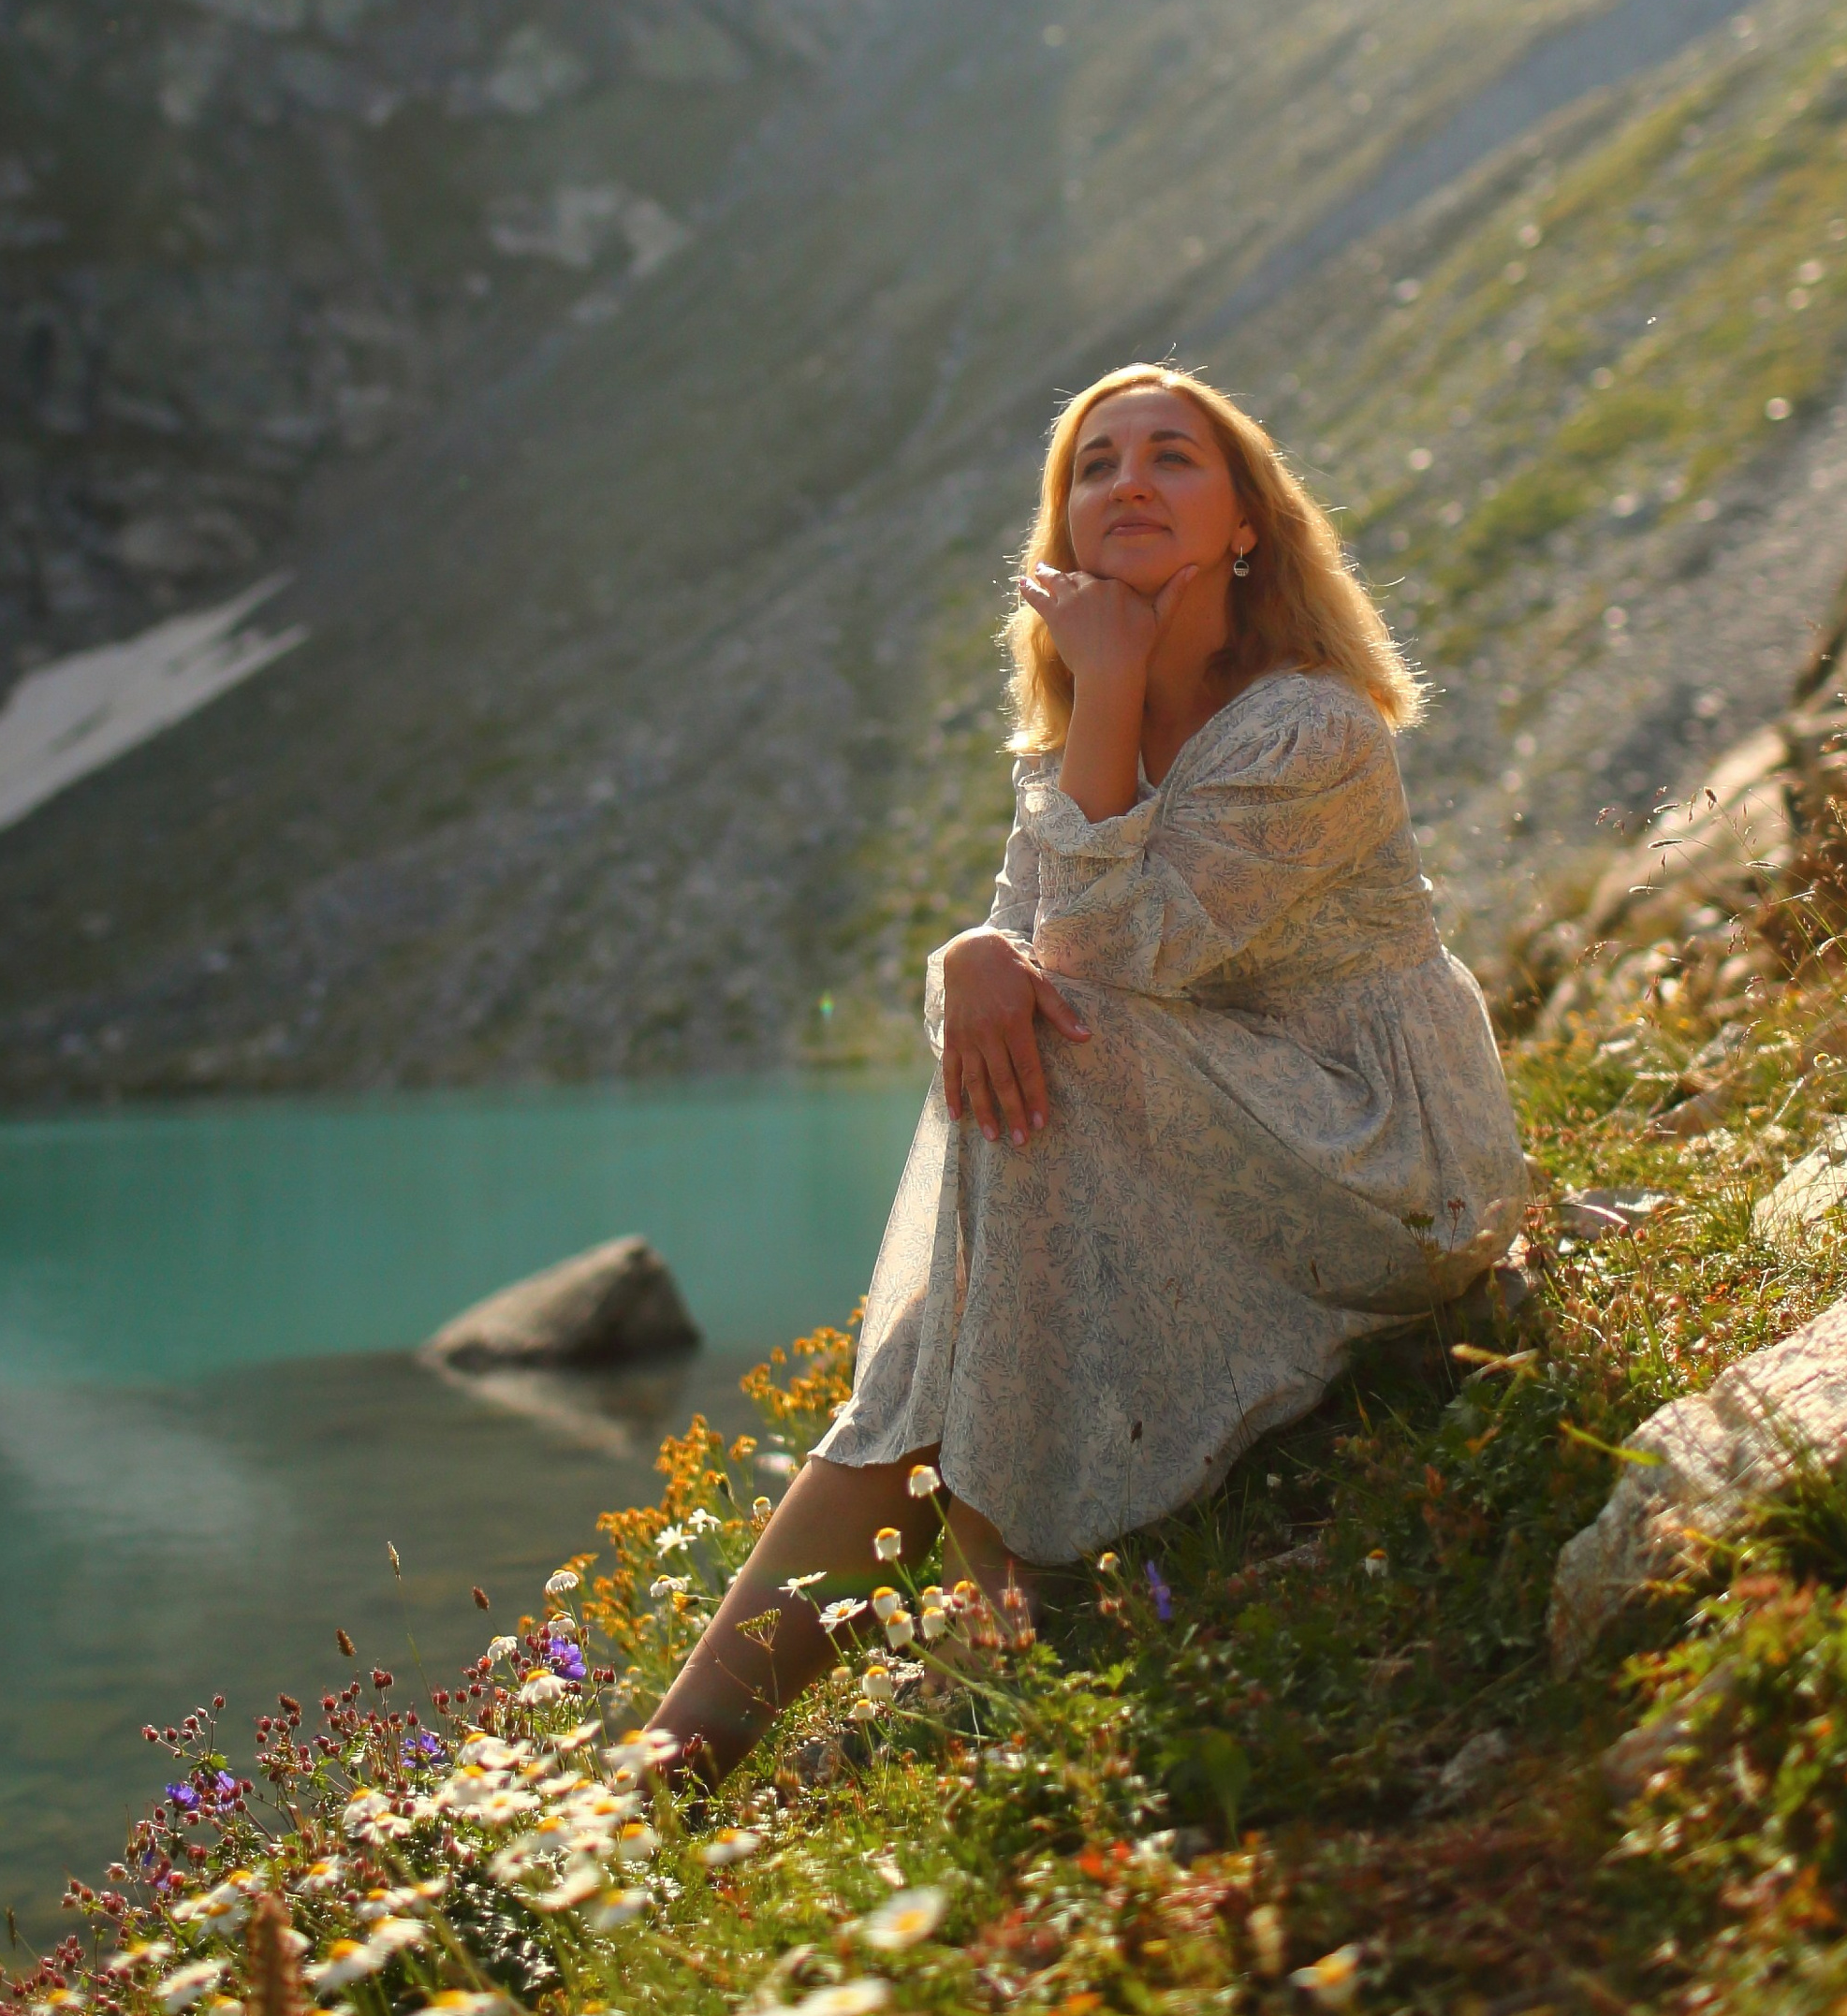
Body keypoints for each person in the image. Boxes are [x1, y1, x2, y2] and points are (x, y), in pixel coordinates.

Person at [648, 361, 1528, 1781]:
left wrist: (1106, 692)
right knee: (940, 1307)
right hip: (1197, 1108)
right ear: (1063, 527)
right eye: (1095, 465)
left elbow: (1108, 962)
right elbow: (1008, 981)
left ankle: (1001, 1599)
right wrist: (964, 957)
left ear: (1247, 523)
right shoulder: (1074, 746)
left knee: (1060, 1046)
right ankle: (670, 1763)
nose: (1128, 483)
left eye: (1173, 457)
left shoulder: (1311, 730)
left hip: (1382, 1147)